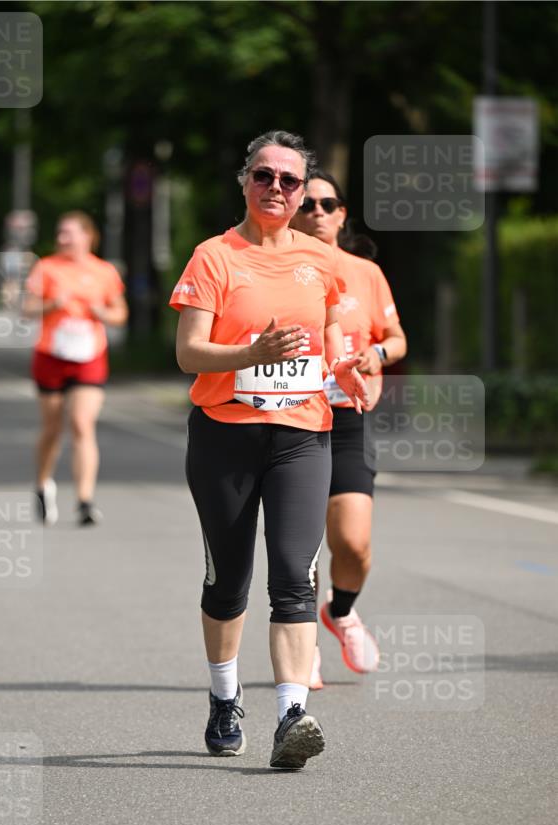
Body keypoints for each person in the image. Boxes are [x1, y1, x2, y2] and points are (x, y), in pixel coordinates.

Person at [170, 131, 367, 770]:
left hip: (303, 435)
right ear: (245, 182)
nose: (275, 188)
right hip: (225, 434)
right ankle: (224, 698)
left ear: (303, 192)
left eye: (289, 180)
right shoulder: (214, 257)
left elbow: (330, 332)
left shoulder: (321, 259)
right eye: (264, 175)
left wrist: (345, 366)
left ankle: (290, 714)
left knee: (294, 576)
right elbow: (188, 352)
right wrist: (250, 354)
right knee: (228, 580)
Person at [291, 170, 407, 686]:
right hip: (295, 416)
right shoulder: (282, 269)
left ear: (342, 215)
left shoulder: (366, 273)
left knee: (353, 544)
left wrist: (376, 354)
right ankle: (304, 647)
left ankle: (340, 612)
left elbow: (397, 338)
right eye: (307, 204)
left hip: (348, 420)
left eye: (327, 204)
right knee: (303, 544)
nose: (316, 212)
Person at [23, 212, 128, 526]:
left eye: (68, 233)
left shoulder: (104, 271)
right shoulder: (46, 267)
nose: (62, 238)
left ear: (87, 236)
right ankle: (43, 484)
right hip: (51, 355)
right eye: (60, 233)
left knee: (82, 424)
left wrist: (102, 313)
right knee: (52, 428)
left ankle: (85, 500)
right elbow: (27, 308)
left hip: (89, 355)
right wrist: (52, 304)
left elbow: (120, 313)